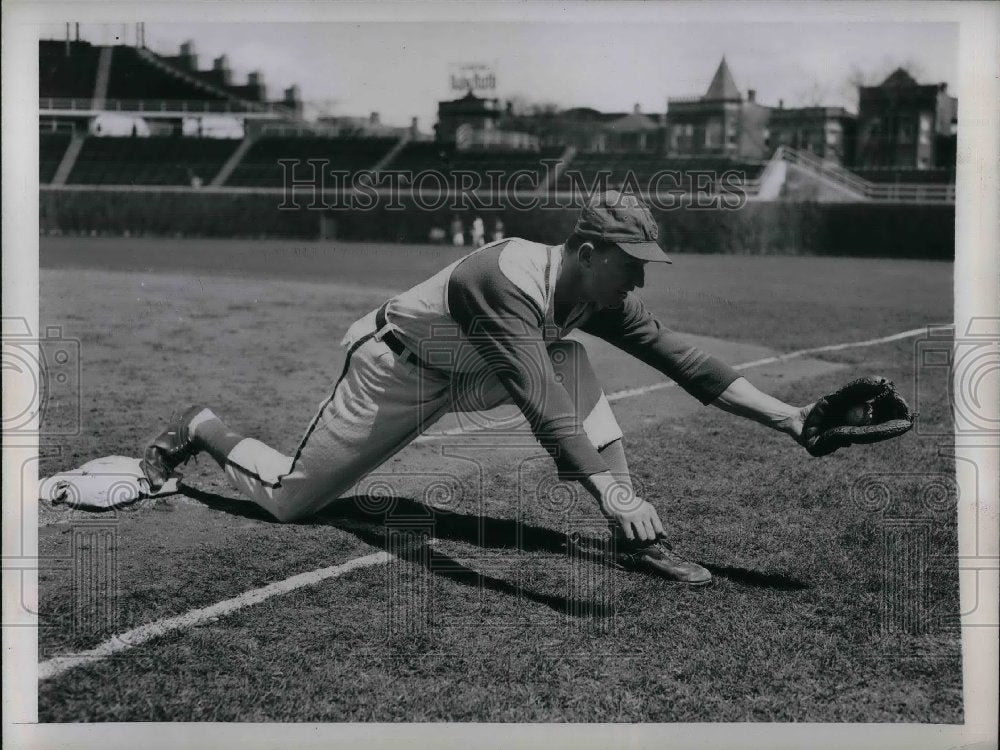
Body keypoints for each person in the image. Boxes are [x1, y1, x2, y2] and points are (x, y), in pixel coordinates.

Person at [142, 191, 814, 586]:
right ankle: (202, 427)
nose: (639, 281)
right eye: (630, 265)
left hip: (470, 377)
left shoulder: (598, 293)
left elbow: (686, 361)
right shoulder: (502, 278)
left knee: (571, 358)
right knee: (291, 502)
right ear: (586, 254)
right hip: (394, 374)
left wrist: (792, 418)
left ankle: (638, 539)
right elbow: (539, 400)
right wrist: (609, 490)